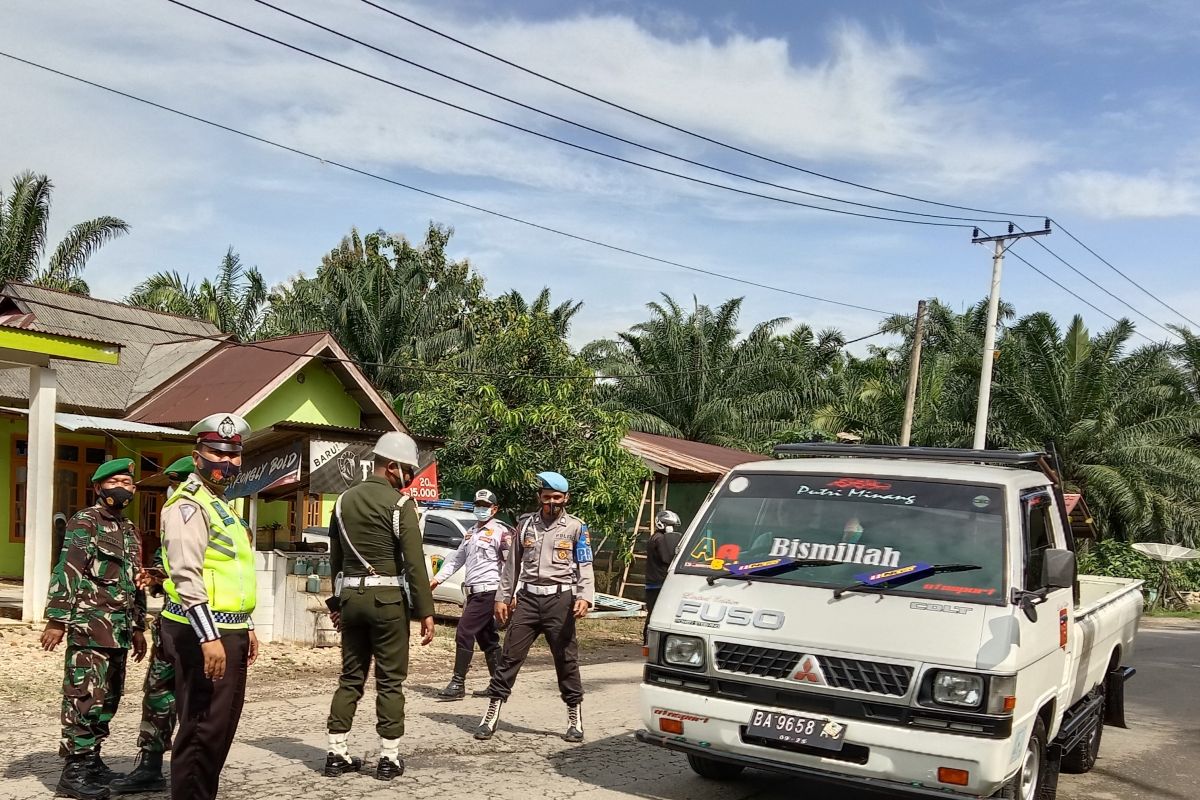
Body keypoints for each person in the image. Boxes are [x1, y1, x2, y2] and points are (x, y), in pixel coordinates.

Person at [324, 432, 436, 781]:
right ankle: (388, 759)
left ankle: (336, 753)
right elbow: (414, 563)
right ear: (392, 467)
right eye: (408, 471)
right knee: (390, 681)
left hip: (352, 600)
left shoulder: (342, 502)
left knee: (350, 678)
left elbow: (336, 559)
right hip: (387, 602)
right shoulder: (401, 505)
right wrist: (425, 611)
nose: (410, 478)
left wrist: (337, 603)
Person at [158, 415, 259, 800]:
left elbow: (231, 571)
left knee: (218, 728)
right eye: (217, 452)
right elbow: (187, 575)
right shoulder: (188, 506)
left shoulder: (222, 506)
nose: (227, 462)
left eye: (233, 455)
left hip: (226, 629)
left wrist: (245, 624)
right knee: (201, 730)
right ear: (197, 456)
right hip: (203, 632)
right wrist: (209, 636)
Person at [40, 458, 148, 800]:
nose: (122, 487)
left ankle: (93, 759)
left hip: (118, 631)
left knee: (108, 699)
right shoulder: (86, 521)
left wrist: (138, 627)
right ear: (98, 487)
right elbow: (68, 568)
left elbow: (135, 582)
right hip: (89, 627)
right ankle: (74, 772)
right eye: (115, 481)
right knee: (83, 697)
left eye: (128, 483)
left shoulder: (130, 530)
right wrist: (57, 619)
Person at [475, 471, 593, 743]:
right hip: (528, 599)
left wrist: (584, 597)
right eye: (547, 497)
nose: (552, 502)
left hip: (560, 601)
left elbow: (584, 565)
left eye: (557, 498)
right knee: (510, 656)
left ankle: (574, 716)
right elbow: (511, 566)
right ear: (539, 497)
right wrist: (502, 597)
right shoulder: (526, 525)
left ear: (566, 499)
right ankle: (491, 713)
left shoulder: (576, 527)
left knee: (566, 660)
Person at [110, 455, 193, 795]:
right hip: (170, 624)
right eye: (172, 485)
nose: (174, 492)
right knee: (158, 695)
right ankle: (150, 765)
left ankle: (193, 772)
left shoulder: (222, 524)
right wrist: (155, 576)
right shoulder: (173, 524)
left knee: (196, 702)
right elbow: (164, 568)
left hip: (204, 629)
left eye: (179, 484)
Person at [430, 489, 513, 700]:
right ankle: (499, 684)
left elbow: (510, 566)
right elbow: (457, 559)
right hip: (473, 592)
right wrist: (437, 579)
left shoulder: (501, 533)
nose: (481, 509)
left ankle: (458, 684)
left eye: (485, 506)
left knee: (464, 631)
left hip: (490, 591)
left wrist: (510, 594)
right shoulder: (471, 532)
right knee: (486, 638)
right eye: (478, 505)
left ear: (495, 509)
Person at [643, 510, 682, 644]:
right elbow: (666, 558)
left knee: (653, 614)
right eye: (668, 524)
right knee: (654, 614)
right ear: (661, 524)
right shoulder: (659, 539)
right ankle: (648, 642)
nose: (671, 528)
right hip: (658, 583)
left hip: (655, 582)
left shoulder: (656, 537)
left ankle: (650, 642)